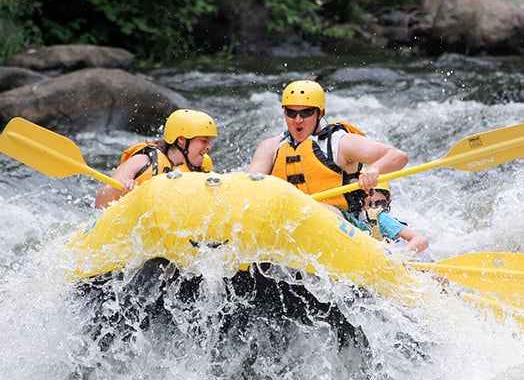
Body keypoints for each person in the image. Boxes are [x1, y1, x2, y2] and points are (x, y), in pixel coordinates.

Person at [246, 79, 409, 216]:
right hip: (287, 222)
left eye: (306, 113)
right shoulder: (271, 147)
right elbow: (249, 187)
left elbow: (399, 156)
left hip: (342, 224)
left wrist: (375, 169)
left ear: (320, 113)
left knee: (314, 208)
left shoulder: (341, 143)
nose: (298, 120)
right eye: (291, 113)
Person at [95, 108, 217, 209]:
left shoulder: (202, 167)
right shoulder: (143, 161)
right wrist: (117, 190)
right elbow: (100, 203)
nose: (209, 147)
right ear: (181, 139)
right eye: (203, 141)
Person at [360, 182, 433, 260]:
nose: (374, 208)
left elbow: (421, 240)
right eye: (369, 204)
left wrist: (399, 256)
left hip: (417, 257)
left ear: (389, 201)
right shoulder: (360, 218)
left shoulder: (382, 217)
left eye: (380, 203)